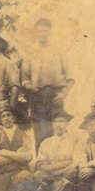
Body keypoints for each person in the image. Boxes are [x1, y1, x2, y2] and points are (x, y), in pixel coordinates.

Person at [22, 17, 74, 147]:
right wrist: (31, 87)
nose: (43, 34)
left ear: (50, 32)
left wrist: (63, 94)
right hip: (37, 95)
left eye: (45, 31)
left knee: (58, 128)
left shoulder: (59, 52)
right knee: (39, 131)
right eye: (40, 31)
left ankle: (59, 161)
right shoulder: (30, 53)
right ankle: (42, 162)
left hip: (55, 95)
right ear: (36, 33)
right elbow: (24, 79)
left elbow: (71, 78)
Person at [28, 111, 82, 191]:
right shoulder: (47, 142)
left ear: (67, 123)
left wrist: (53, 167)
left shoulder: (75, 140)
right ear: (52, 124)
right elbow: (41, 162)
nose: (58, 125)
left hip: (66, 173)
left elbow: (75, 161)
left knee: (72, 171)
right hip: (51, 174)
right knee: (38, 175)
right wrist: (52, 167)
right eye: (55, 121)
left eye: (61, 121)